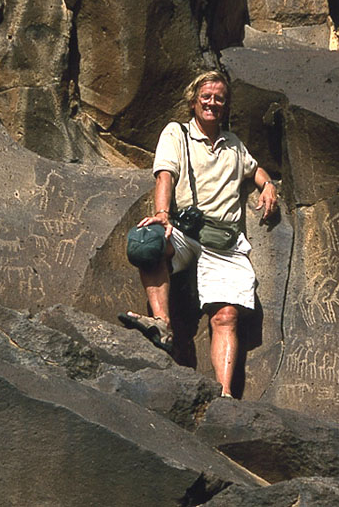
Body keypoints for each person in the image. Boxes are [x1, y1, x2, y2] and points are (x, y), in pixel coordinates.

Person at [119, 70, 278, 398]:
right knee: (146, 242)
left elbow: (253, 167)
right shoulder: (176, 134)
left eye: (219, 98)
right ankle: (161, 323)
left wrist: (267, 184)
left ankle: (224, 395)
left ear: (226, 105)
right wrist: (162, 216)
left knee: (227, 315)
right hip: (188, 234)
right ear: (193, 101)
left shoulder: (233, 144)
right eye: (206, 97)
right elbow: (165, 177)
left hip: (225, 243)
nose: (212, 103)